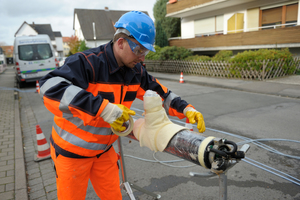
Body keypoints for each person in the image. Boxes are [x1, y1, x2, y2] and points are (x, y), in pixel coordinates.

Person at [39, 10, 205, 200]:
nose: (142, 57)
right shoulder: (87, 63)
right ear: (120, 43)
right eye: (139, 50)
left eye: (146, 51)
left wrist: (186, 108)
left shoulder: (135, 71)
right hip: (71, 155)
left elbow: (161, 93)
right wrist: (104, 109)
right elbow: (49, 87)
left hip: (103, 152)